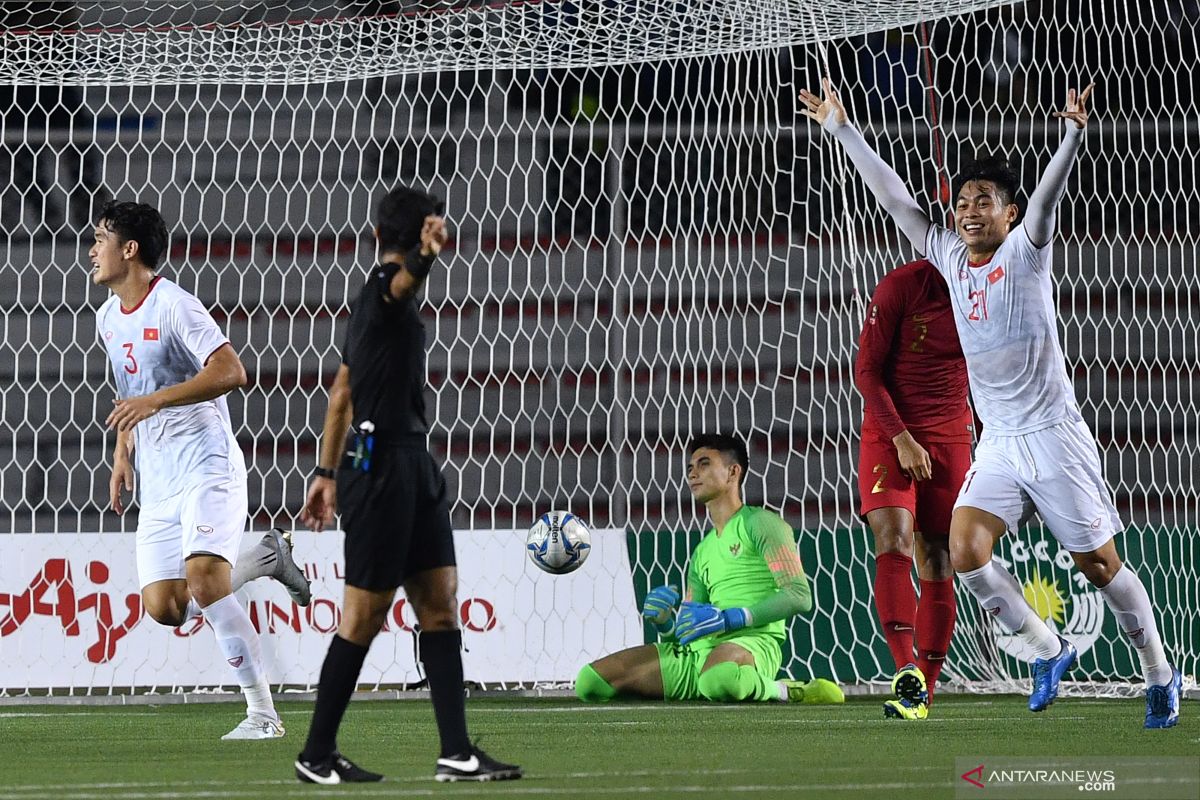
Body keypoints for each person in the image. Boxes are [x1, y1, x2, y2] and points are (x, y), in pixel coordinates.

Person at [801, 78, 1181, 728]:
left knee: (1098, 566)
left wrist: (1070, 137)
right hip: (1000, 440)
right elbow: (895, 198)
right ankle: (1046, 649)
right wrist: (841, 129)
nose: (970, 211)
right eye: (963, 202)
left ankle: (1159, 673)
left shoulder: (1028, 256)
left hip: (1054, 438)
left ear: (1010, 214)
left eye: (986, 202)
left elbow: (1047, 202)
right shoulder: (949, 255)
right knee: (965, 550)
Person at [294, 186, 521, 784]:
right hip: (381, 471)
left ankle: (457, 751)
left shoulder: (375, 313)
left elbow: (342, 390)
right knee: (363, 618)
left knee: (441, 605)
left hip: (411, 463)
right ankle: (316, 754)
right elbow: (403, 285)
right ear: (417, 231)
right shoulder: (383, 292)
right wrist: (426, 259)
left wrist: (322, 471)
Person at [93, 200, 311, 740]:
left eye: (102, 238)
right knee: (167, 607)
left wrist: (158, 402)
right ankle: (265, 555)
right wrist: (123, 451)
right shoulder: (106, 319)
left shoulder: (174, 306)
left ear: (130, 249)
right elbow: (132, 392)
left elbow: (231, 370)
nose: (92, 250)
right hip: (159, 478)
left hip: (206, 465)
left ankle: (263, 714)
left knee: (205, 581)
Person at [575, 433, 844, 706]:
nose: (693, 474)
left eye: (704, 464)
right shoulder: (702, 551)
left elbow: (799, 595)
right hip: (696, 656)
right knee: (590, 682)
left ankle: (791, 691)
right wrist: (665, 622)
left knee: (719, 679)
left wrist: (733, 618)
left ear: (732, 472)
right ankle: (706, 684)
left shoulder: (762, 523)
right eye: (690, 468)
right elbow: (687, 631)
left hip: (752, 644)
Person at [854, 258, 972, 720]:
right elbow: (866, 371)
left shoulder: (996, 286)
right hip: (890, 434)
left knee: (939, 556)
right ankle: (905, 666)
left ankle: (924, 690)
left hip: (951, 435)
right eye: (961, 207)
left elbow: (992, 376)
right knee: (893, 538)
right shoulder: (903, 285)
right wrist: (902, 439)